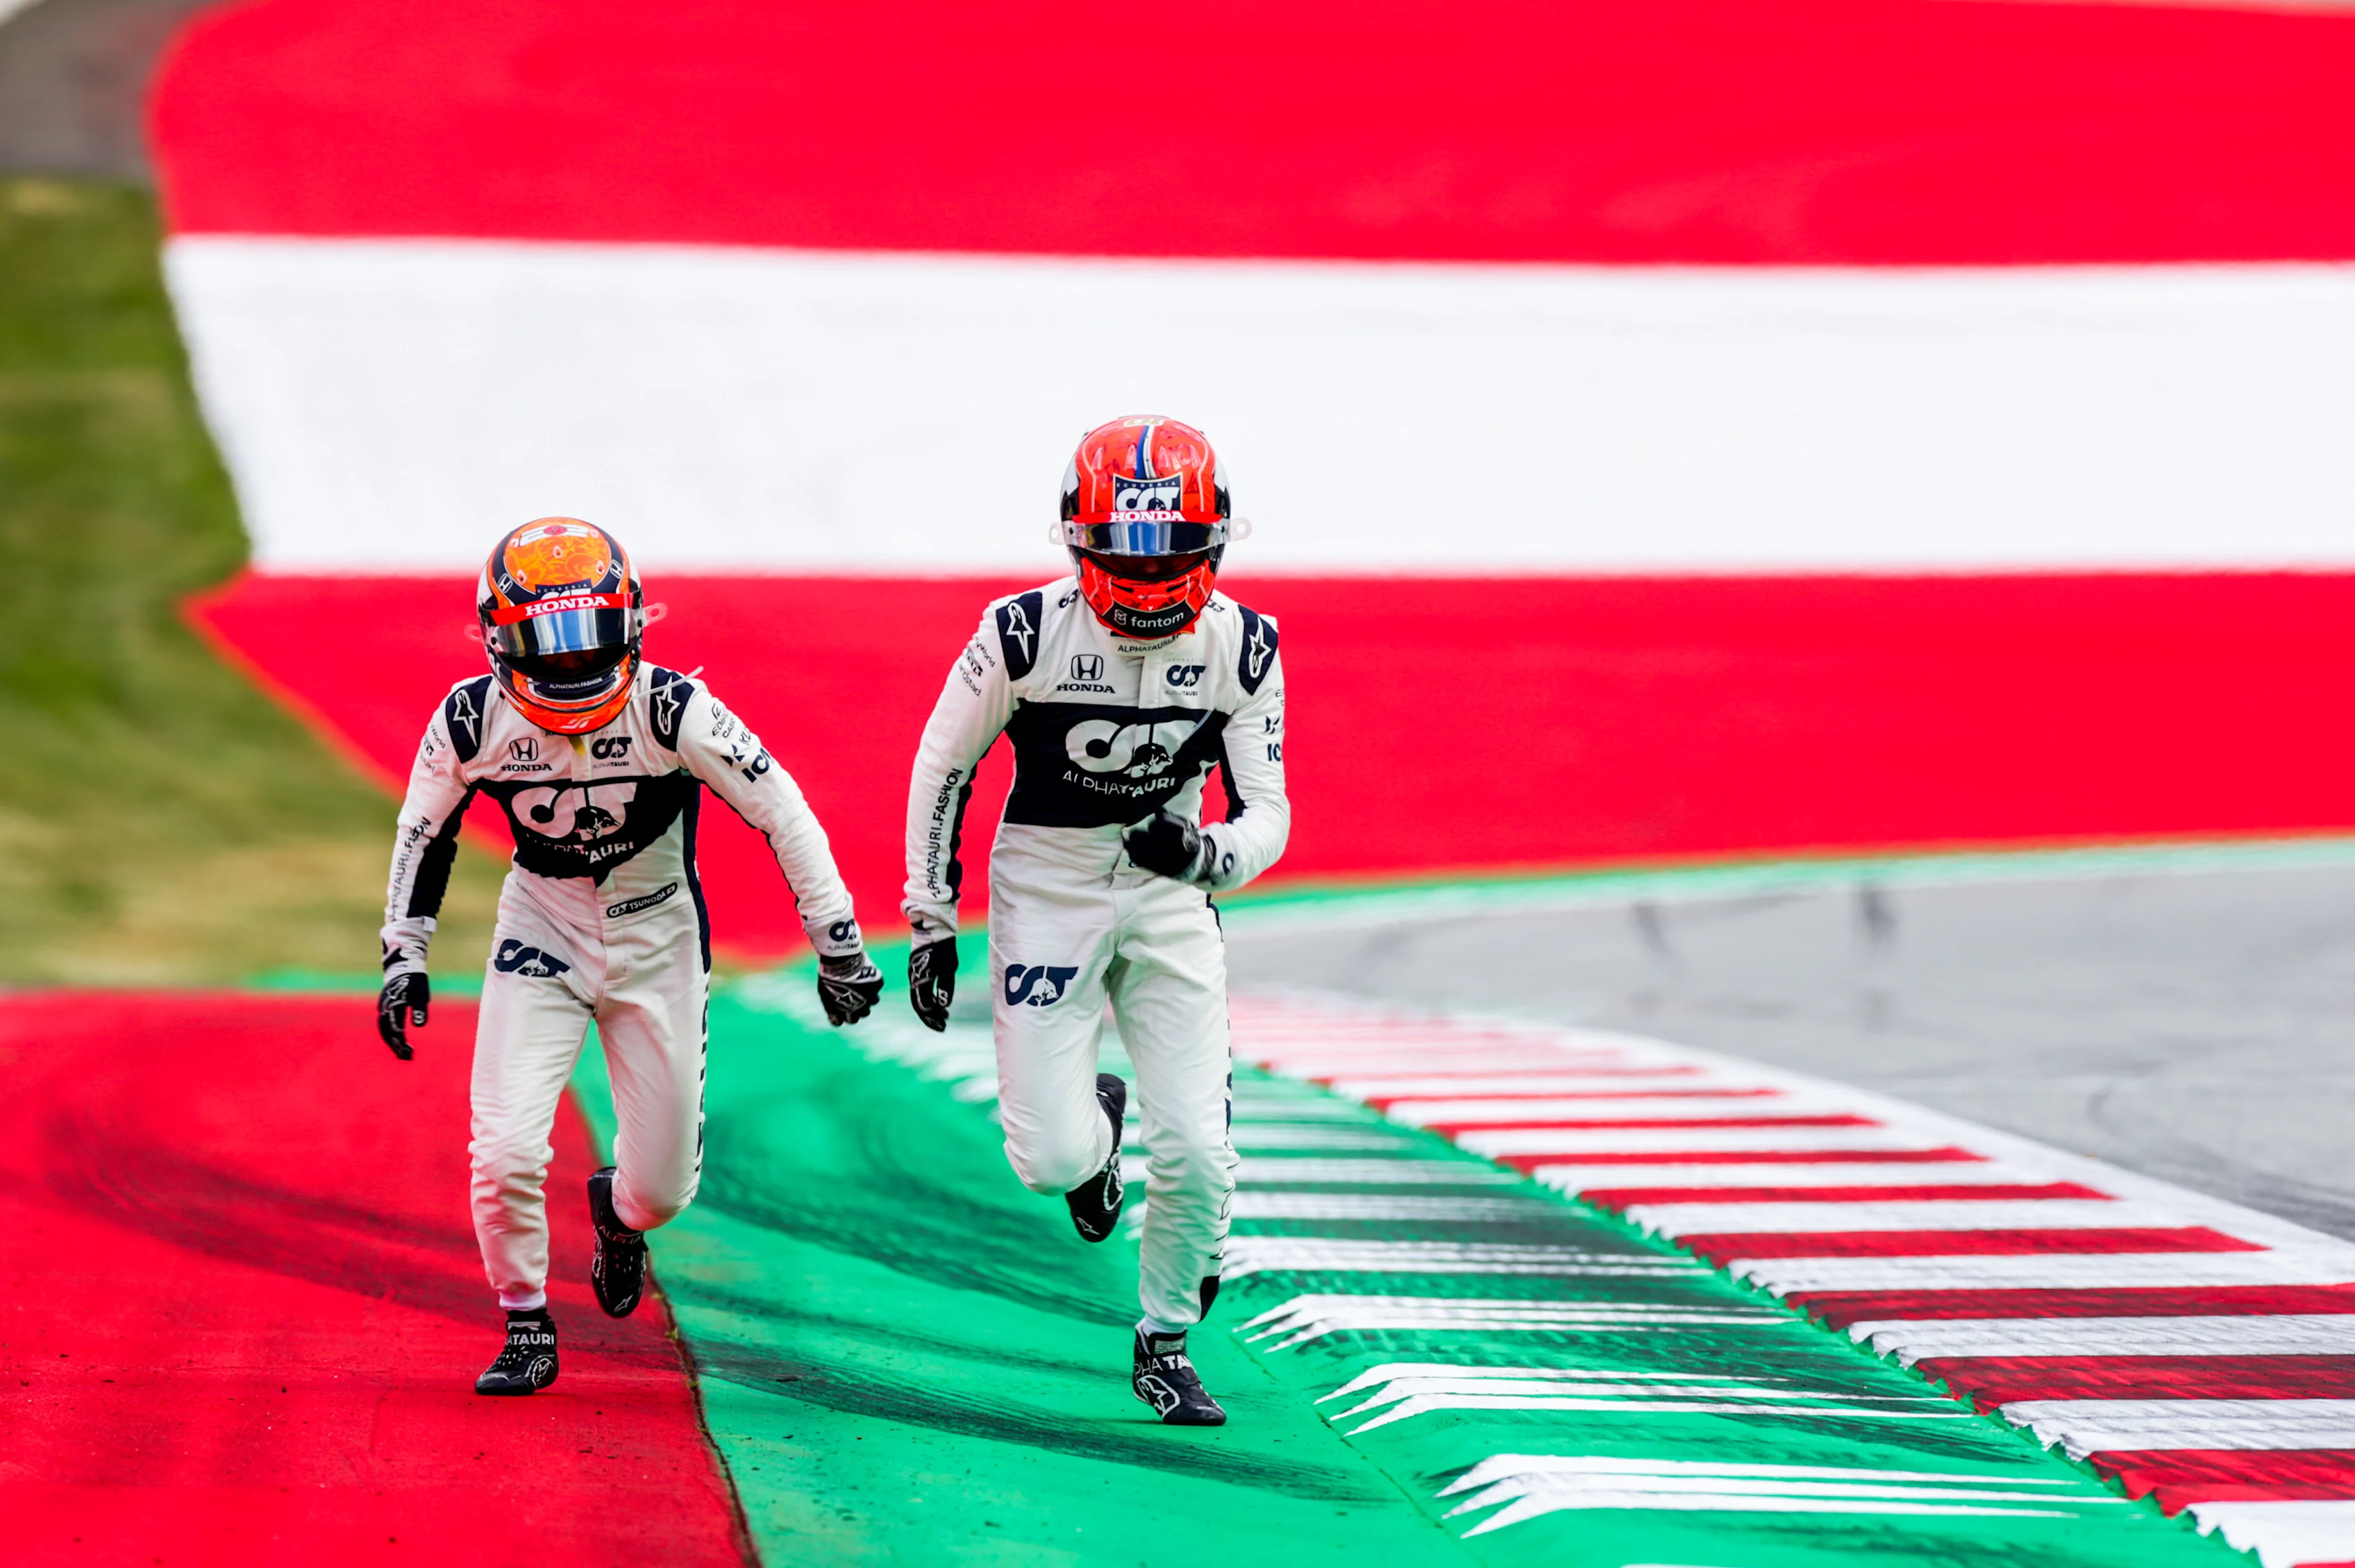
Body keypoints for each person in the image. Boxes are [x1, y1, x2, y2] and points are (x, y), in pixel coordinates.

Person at [376, 518, 882, 1395]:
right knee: (501, 1149)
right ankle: (525, 1321)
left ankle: (618, 1216)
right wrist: (402, 954)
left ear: (633, 626)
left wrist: (836, 941)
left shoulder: (673, 708)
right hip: (541, 932)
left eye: (590, 642)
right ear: (499, 641)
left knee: (662, 1196)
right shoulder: (467, 720)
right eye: (548, 645)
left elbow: (781, 809)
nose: (571, 667)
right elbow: (423, 831)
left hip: (660, 943)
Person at [901, 416, 1290, 1425]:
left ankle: (1163, 1339)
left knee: (1202, 1153)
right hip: (1048, 884)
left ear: (1214, 544)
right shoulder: (1020, 633)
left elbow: (1270, 811)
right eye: (1131, 551)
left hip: (1170, 895)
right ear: (1079, 540)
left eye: (1173, 550)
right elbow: (945, 763)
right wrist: (931, 916)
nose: (1153, 575)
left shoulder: (1248, 644)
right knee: (1048, 1161)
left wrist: (1207, 857)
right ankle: (1098, 1140)